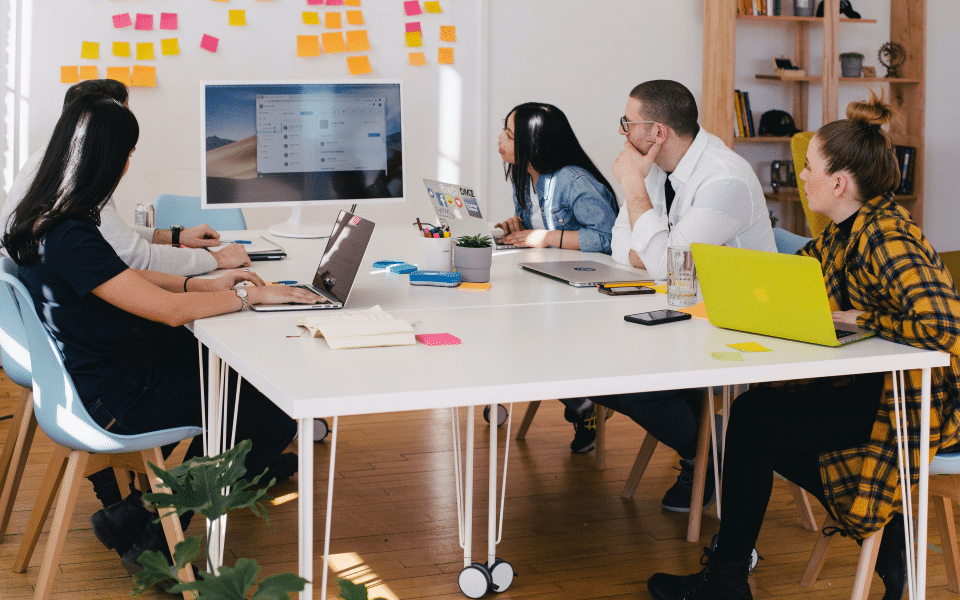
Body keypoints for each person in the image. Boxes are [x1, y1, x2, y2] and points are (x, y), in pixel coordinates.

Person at [647, 92, 960, 600]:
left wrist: (866, 318)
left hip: (912, 401)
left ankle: (728, 580)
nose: (801, 176)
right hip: (873, 384)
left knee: (753, 422)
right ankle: (891, 545)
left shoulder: (887, 236)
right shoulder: (844, 231)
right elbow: (798, 278)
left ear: (839, 182)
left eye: (809, 167)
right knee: (758, 425)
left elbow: (947, 323)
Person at [2, 95, 321, 580]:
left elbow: (126, 280)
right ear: (111, 159)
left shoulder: (44, 218)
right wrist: (247, 298)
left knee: (229, 380)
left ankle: (133, 517)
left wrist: (204, 284)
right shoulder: (73, 233)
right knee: (268, 413)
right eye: (128, 154)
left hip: (96, 371)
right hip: (114, 396)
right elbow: (170, 312)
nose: (130, 164)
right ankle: (156, 542)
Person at [583, 80, 778, 511]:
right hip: (686, 309)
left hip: (736, 322)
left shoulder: (723, 180)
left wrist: (634, 190)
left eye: (627, 124)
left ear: (657, 132)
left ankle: (708, 456)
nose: (622, 133)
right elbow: (623, 245)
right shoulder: (660, 170)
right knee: (597, 369)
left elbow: (666, 265)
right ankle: (705, 444)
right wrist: (654, 247)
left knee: (634, 383)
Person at [0, 79, 251, 275]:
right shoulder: (77, 179)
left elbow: (105, 233)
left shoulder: (50, 161)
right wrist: (216, 259)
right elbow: (136, 258)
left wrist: (175, 237)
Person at [494, 102, 619, 254]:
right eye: (504, 131)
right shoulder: (523, 175)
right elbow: (540, 228)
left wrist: (547, 237)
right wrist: (522, 229)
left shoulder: (573, 181)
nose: (501, 137)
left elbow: (607, 238)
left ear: (534, 145)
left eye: (509, 135)